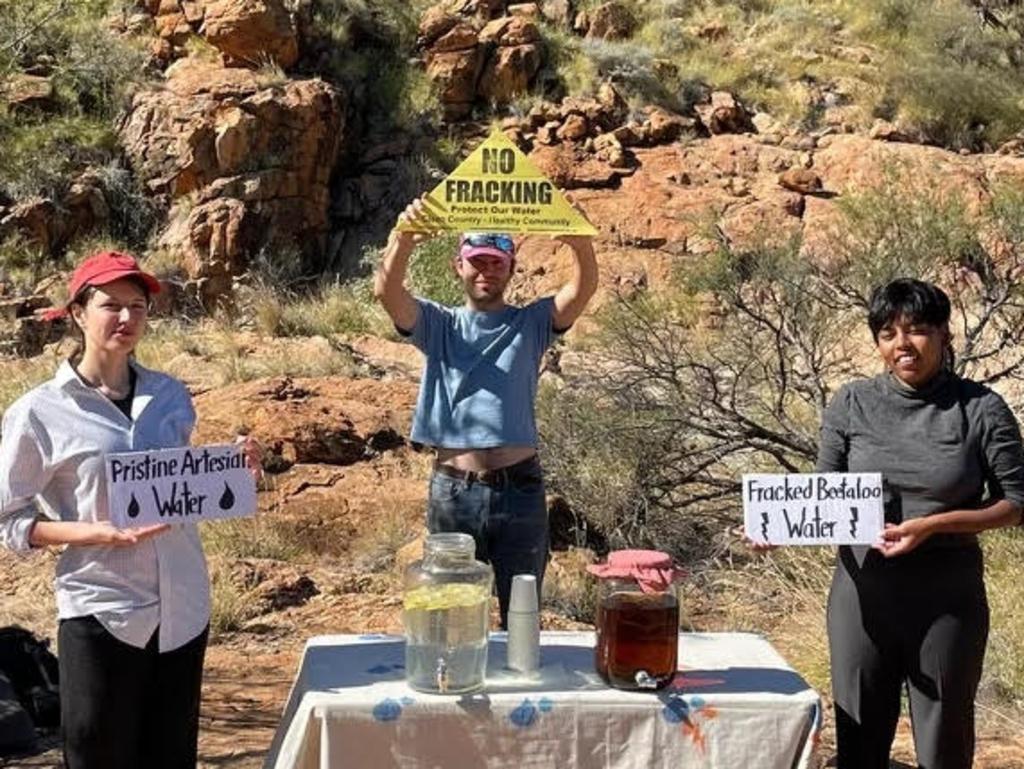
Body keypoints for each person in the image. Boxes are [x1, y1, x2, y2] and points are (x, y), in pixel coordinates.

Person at [0, 251, 261, 769]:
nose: (126, 318)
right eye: (110, 305)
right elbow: (10, 519)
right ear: (78, 312)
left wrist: (236, 468)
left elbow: (183, 489)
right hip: (103, 611)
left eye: (138, 306)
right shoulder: (38, 412)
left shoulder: (171, 395)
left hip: (183, 610)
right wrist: (93, 533)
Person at [815, 278, 1024, 768]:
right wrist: (774, 530)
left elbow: (1016, 503)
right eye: (887, 333)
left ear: (945, 335)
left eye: (917, 330)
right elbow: (823, 493)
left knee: (944, 744)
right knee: (859, 741)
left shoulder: (980, 408)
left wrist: (935, 525)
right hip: (862, 594)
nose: (902, 344)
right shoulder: (851, 403)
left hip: (946, 599)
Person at [374, 196, 598, 627]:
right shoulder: (439, 324)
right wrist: (403, 240)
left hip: (521, 489)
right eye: (476, 261)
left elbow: (581, 291)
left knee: (523, 614)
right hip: (454, 491)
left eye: (496, 262)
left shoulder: (531, 323)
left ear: (512, 269)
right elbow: (388, 292)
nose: (485, 271)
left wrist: (581, 245)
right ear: (458, 266)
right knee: (450, 615)